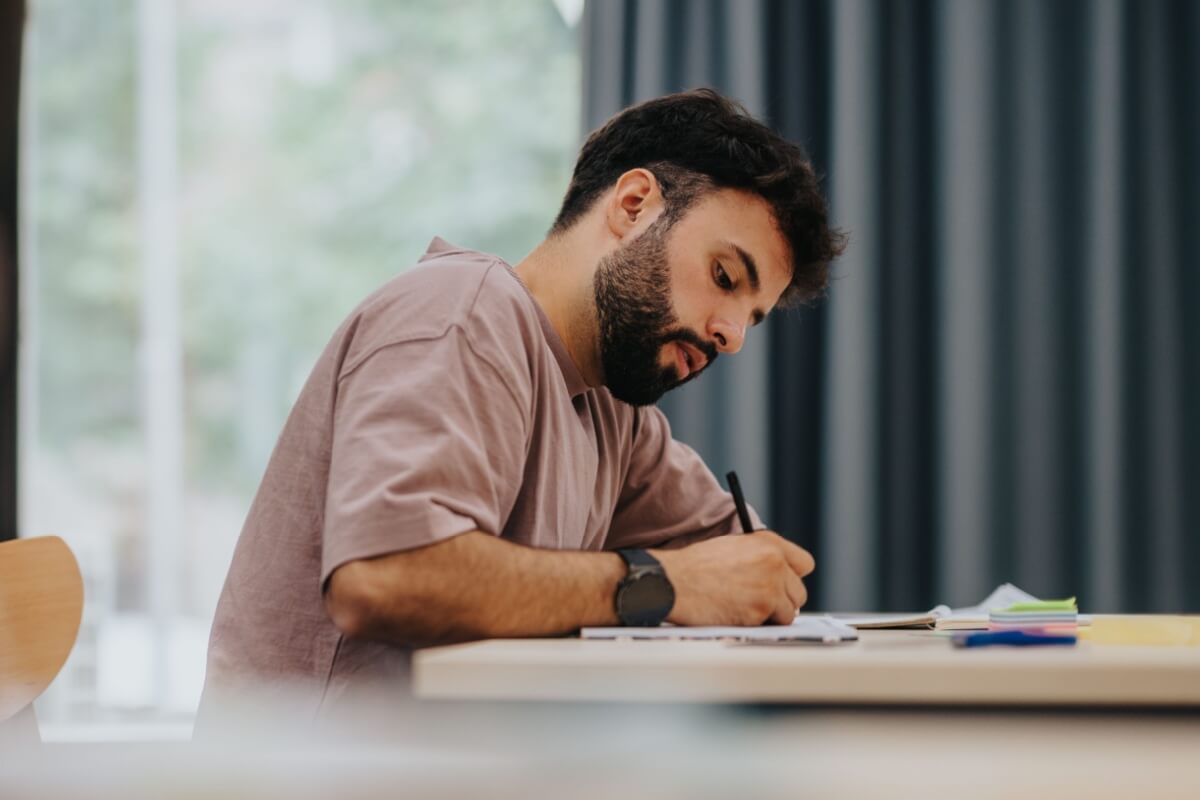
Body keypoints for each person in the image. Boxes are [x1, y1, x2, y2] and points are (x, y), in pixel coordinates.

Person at [197, 88, 845, 728]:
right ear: (634, 204)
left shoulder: (614, 415)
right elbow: (384, 576)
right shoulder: (459, 315)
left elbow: (737, 561)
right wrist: (663, 583)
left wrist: (751, 575)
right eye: (726, 278)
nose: (731, 336)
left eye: (751, 319)